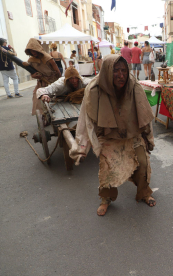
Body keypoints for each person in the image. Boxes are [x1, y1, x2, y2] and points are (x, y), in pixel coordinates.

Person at [69, 55, 156, 216]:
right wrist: (81, 148)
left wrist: (149, 139)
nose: (121, 75)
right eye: (116, 71)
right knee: (108, 169)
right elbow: (85, 121)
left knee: (143, 163)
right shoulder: (94, 89)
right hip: (109, 138)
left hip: (132, 136)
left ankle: (144, 192)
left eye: (124, 70)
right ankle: (106, 199)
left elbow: (145, 115)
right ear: (108, 71)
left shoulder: (133, 85)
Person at [24, 38, 61, 115]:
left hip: (52, 81)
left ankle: (58, 113)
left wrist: (59, 82)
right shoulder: (31, 60)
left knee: (55, 98)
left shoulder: (48, 58)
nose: (33, 52)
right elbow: (32, 74)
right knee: (38, 97)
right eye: (31, 50)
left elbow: (57, 71)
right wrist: (34, 76)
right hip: (41, 82)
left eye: (35, 50)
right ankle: (44, 114)